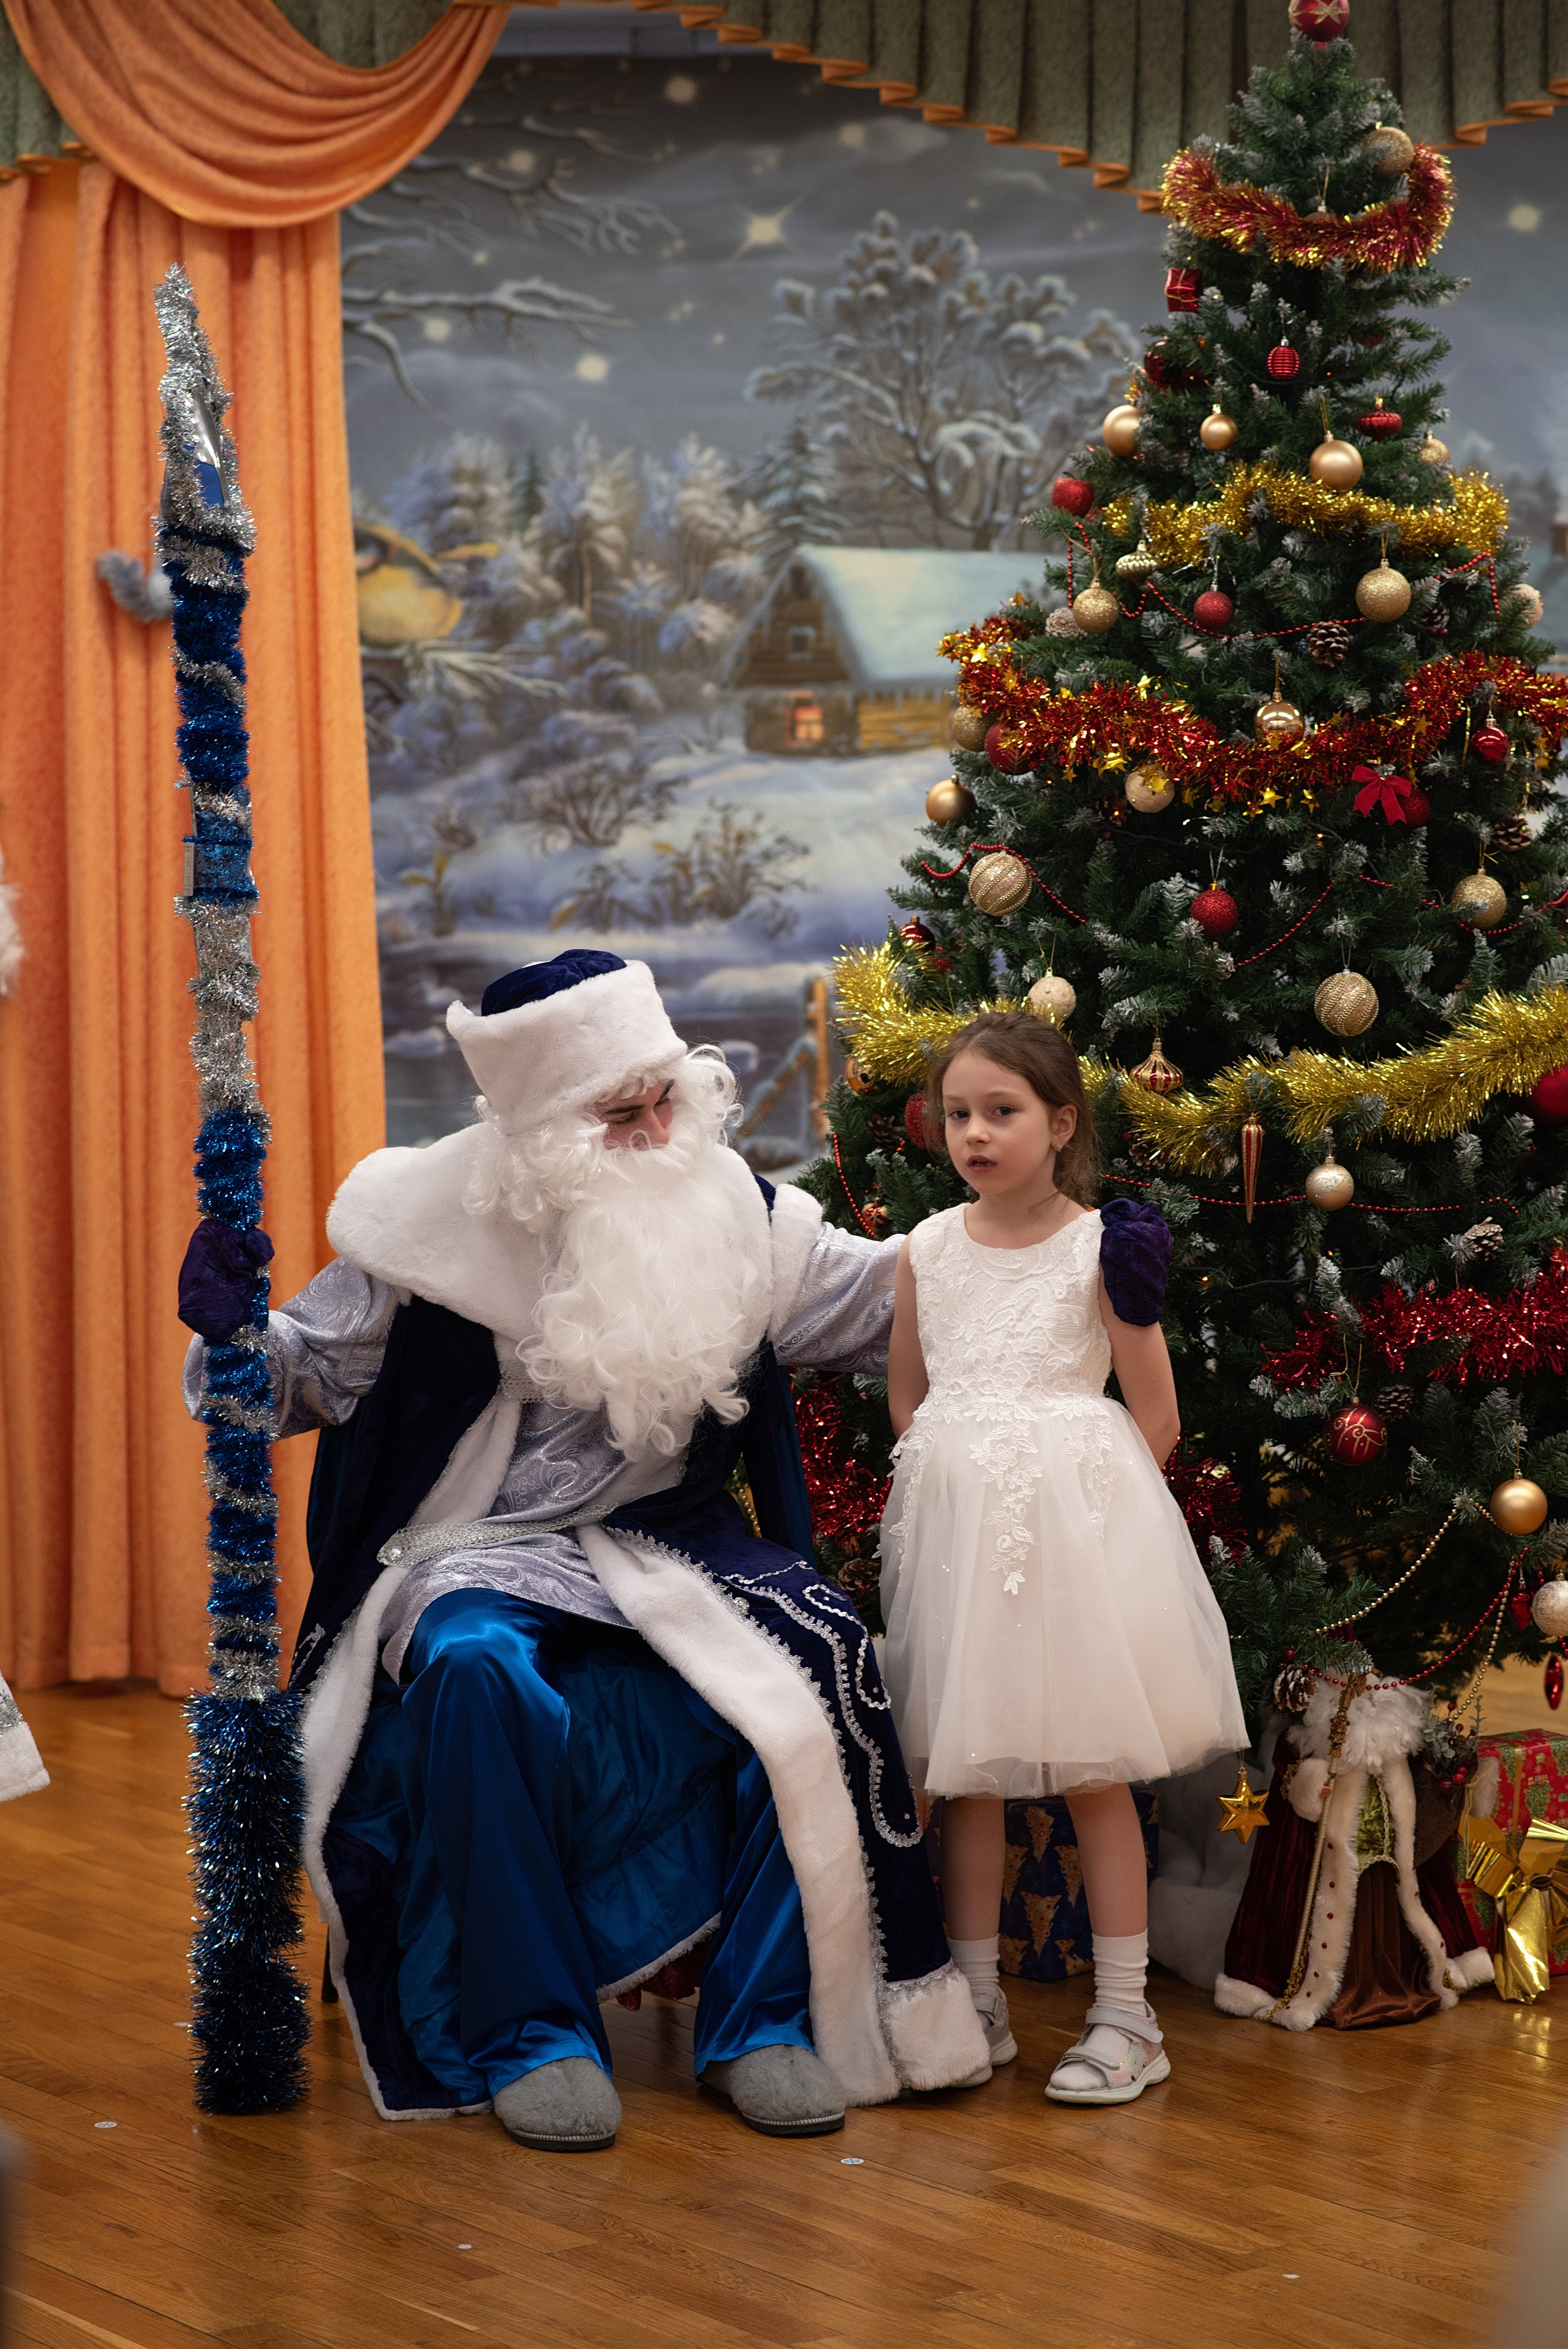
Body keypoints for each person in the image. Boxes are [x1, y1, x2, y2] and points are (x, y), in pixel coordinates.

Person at [179, 949, 986, 2153]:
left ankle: (760, 2022)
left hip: (671, 1541)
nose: (658, 1130)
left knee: (819, 1658)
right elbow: (285, 1383)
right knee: (473, 1666)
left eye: (666, 1095)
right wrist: (238, 1334)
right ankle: (532, 2031)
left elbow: (892, 1298)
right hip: (473, 1543)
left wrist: (1045, 1248)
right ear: (541, 1131)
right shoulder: (425, 1231)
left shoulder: (735, 1212)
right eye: (622, 1113)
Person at [879, 1011, 1248, 2106]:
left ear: (1062, 1123)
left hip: (1074, 1547)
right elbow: (910, 1394)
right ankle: (976, 2000)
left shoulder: (1101, 1246)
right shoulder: (928, 1248)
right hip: (958, 1548)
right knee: (966, 1775)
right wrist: (956, 1480)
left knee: (1093, 1774)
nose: (975, 1134)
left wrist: (1076, 1514)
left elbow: (1156, 1415)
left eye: (1002, 1112)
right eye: (958, 1114)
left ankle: (1128, 2017)